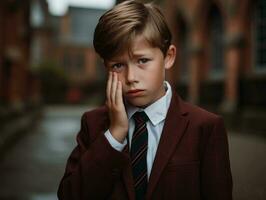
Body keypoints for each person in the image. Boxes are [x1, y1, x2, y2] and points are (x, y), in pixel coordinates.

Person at [57, 0, 233, 199]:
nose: (131, 77)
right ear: (105, 66)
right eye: (118, 65)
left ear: (169, 57)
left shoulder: (205, 127)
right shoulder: (94, 123)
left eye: (143, 61)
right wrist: (114, 136)